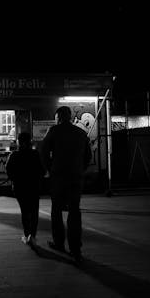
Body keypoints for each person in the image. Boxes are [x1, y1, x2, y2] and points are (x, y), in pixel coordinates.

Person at [41, 106, 92, 263]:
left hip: (59, 176)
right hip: (76, 177)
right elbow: (88, 156)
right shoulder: (81, 133)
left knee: (56, 210)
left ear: (59, 117)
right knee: (74, 211)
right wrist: (80, 169)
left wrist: (50, 168)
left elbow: (43, 151)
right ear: (70, 117)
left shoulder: (54, 131)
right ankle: (75, 247)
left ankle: (59, 243)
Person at [5, 132, 44, 246]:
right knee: (34, 211)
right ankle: (33, 235)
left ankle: (27, 235)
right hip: (34, 187)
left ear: (18, 142)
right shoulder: (35, 154)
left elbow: (8, 170)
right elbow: (42, 170)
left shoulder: (14, 155)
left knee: (25, 211)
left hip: (20, 187)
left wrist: (14, 180)